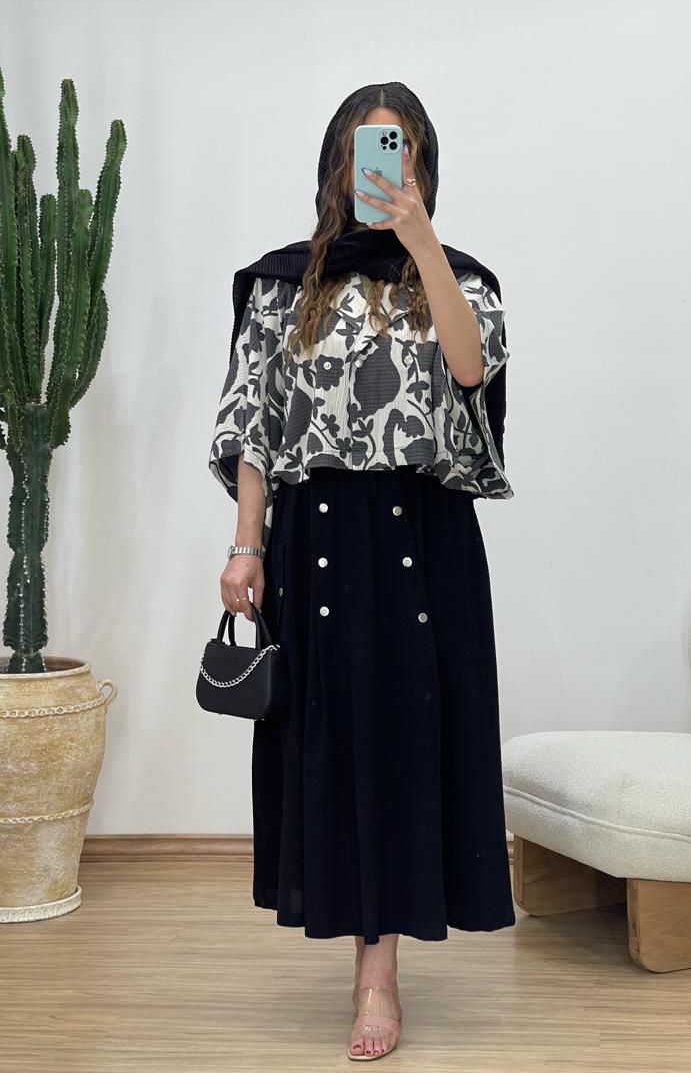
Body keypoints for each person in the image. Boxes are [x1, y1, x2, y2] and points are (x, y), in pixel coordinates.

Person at [208, 81, 517, 1062]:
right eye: (365, 148)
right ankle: (367, 966)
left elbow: (472, 374)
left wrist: (422, 244)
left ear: (423, 163)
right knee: (338, 744)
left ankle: (381, 975)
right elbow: (254, 421)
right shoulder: (280, 284)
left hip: (424, 540)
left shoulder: (458, 278)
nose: (383, 165)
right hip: (319, 541)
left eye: (401, 148)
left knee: (408, 741)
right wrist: (245, 544)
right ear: (336, 164)